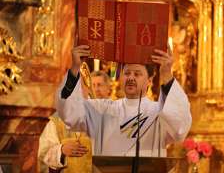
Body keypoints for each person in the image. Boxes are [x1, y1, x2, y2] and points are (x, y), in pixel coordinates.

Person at [56, 45, 192, 157]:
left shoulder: (160, 112)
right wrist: (74, 68)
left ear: (149, 81)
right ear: (121, 78)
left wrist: (167, 74)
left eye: (137, 74)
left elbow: (179, 128)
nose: (131, 78)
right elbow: (69, 113)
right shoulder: (102, 109)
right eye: (127, 73)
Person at [38, 70, 111, 173]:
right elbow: (43, 153)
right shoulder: (57, 121)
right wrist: (61, 150)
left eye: (80, 88)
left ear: (87, 90)